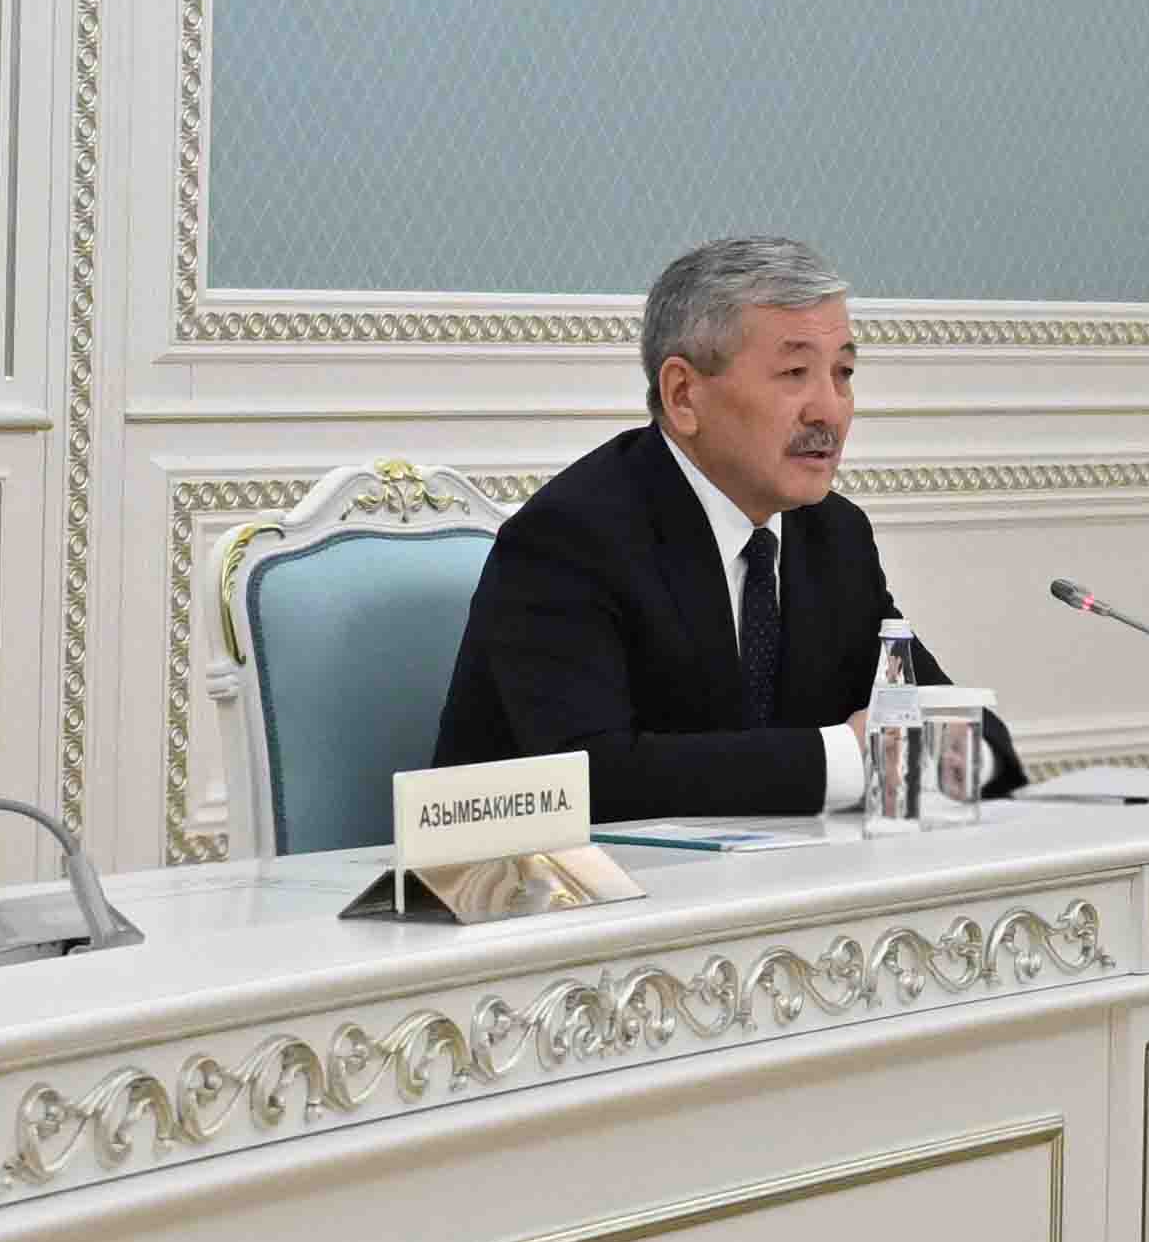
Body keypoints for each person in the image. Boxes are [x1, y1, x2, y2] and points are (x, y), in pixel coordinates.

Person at [431, 233, 1018, 824]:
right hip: (542, 878)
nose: (830, 410)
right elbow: (591, 777)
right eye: (794, 372)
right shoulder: (570, 538)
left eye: (842, 373)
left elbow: (974, 734)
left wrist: (934, 752)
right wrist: (851, 758)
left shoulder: (834, 537)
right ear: (683, 395)